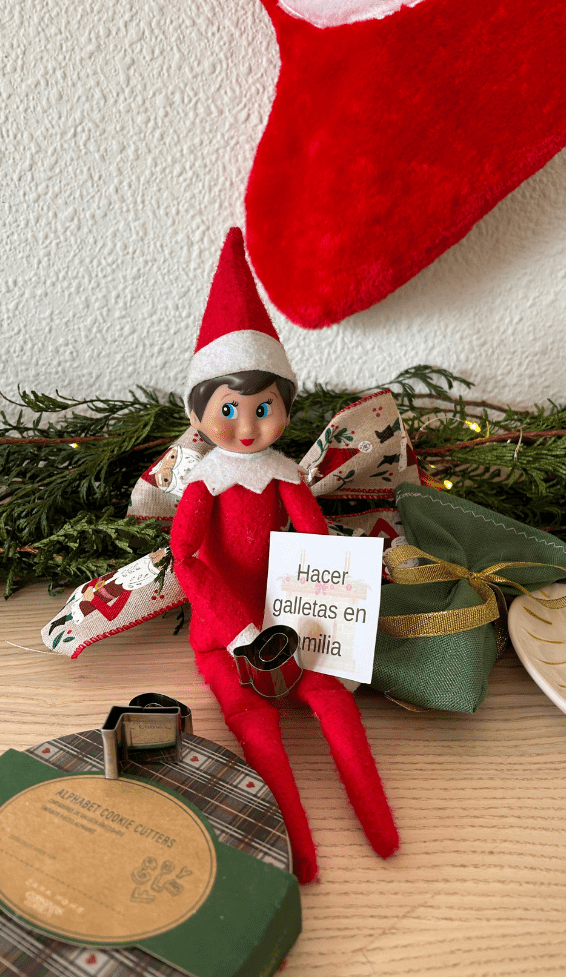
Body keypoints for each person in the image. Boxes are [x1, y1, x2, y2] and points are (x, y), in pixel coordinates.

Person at [169, 228, 399, 881]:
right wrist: (240, 630)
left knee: (333, 701)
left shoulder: (287, 474)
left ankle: (380, 827)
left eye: (263, 407)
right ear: (201, 413)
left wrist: (336, 611)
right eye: (230, 408)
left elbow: (316, 539)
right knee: (256, 725)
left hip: (293, 619)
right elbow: (187, 559)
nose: (247, 426)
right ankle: (298, 851)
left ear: (284, 407)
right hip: (227, 636)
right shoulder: (205, 483)